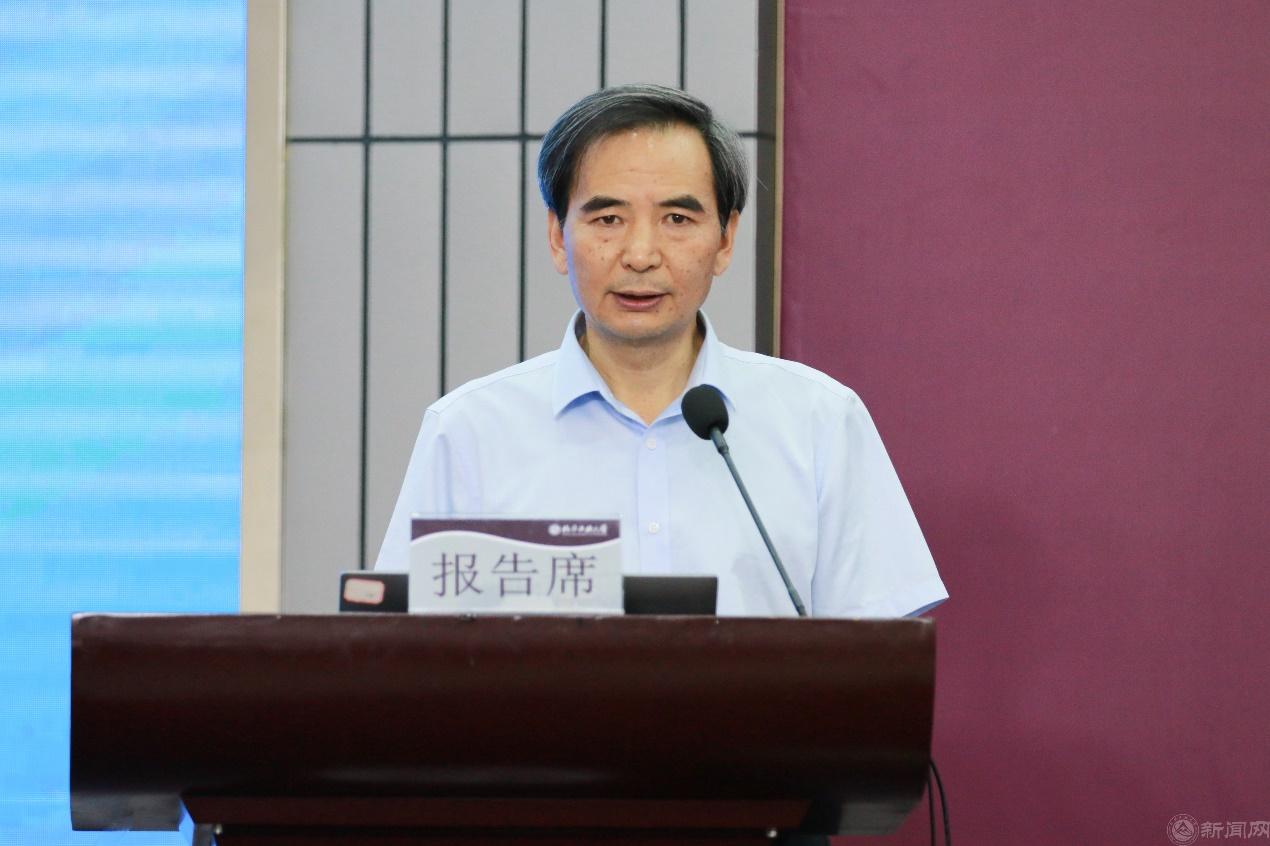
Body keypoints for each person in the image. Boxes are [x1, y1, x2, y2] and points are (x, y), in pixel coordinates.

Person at [375, 85, 947, 618]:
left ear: (725, 239)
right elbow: (411, 654)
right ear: (557, 236)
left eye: (677, 218)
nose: (641, 254)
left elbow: (878, 652)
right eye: (608, 219)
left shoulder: (820, 421)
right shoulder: (470, 432)